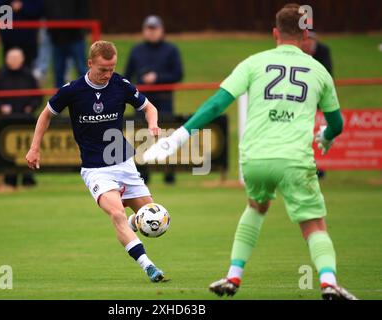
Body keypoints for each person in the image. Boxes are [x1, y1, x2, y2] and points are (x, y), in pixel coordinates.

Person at [144, 4, 357, 300]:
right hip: (294, 158)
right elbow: (337, 123)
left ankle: (233, 275)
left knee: (255, 208)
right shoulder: (318, 69)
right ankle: (328, 282)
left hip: (255, 159)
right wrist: (326, 135)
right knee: (313, 224)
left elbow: (217, 104)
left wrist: (179, 137)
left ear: (275, 33)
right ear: (305, 34)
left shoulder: (254, 63)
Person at [25, 41, 166, 282]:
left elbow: (149, 107)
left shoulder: (120, 85)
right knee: (117, 214)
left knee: (155, 218)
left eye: (111, 68)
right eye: (103, 69)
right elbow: (46, 114)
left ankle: (135, 222)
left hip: (124, 163)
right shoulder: (73, 90)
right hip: (96, 170)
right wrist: (34, 147)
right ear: (90, 63)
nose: (107, 74)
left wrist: (152, 124)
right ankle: (149, 267)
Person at [124, 15, 183, 185]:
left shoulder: (171, 50)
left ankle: (169, 174)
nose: (151, 32)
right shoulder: (136, 50)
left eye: (154, 29)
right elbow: (127, 76)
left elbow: (178, 74)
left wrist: (157, 78)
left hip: (164, 100)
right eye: (148, 29)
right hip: (141, 102)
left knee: (165, 136)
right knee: (141, 137)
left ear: (161, 30)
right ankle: (143, 174)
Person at [0, 48, 42, 187]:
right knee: (8, 150)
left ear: (22, 59)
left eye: (17, 58)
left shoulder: (29, 75)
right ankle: (9, 179)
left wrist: (31, 107)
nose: (14, 61)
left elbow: (38, 97)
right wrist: (1, 108)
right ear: (6, 60)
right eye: (11, 58)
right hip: (7, 123)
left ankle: (28, 178)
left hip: (26, 121)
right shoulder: (0, 76)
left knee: (28, 148)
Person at [302, 31, 334, 179]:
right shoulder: (298, 53)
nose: (306, 43)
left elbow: (328, 76)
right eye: (305, 39)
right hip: (302, 102)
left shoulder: (323, 52)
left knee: (320, 135)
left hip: (320, 101)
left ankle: (320, 168)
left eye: (309, 39)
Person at [44, 0, 89, 88]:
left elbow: (84, 10)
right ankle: (60, 98)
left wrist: (79, 27)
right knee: (58, 70)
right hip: (57, 37)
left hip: (76, 36)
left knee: (82, 68)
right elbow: (47, 10)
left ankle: (88, 93)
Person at [0, 0, 44, 68]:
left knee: (27, 70)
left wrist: (22, 6)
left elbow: (39, 10)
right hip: (8, 37)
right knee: (9, 68)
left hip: (28, 38)